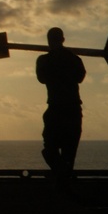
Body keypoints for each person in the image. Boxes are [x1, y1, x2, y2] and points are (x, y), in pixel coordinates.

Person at [36, 27, 86, 176]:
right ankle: (64, 180)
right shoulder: (74, 58)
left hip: (57, 108)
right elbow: (80, 77)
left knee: (51, 148)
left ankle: (62, 179)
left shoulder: (44, 60)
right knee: (68, 154)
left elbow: (42, 78)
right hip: (72, 109)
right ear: (63, 40)